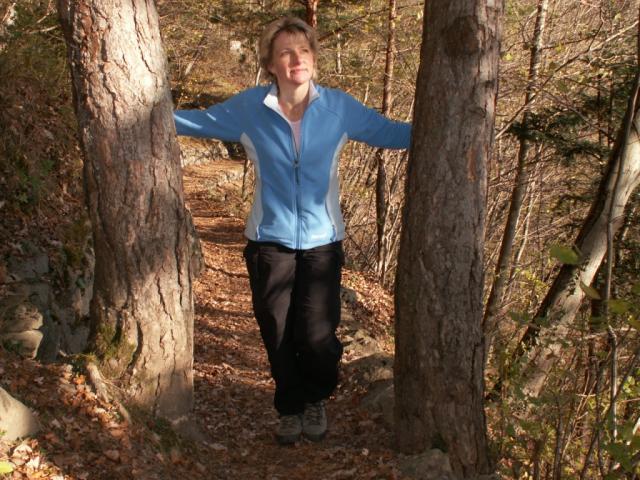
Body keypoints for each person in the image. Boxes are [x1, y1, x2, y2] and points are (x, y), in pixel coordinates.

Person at [174, 16, 411, 445]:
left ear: (314, 59)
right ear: (271, 64)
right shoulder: (249, 108)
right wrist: (140, 109)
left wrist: (452, 120)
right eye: (285, 52)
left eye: (303, 50)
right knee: (277, 332)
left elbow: (391, 133)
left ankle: (316, 395)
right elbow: (196, 122)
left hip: (322, 243)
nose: (296, 58)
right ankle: (290, 407)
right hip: (269, 242)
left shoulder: (339, 108)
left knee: (318, 336)